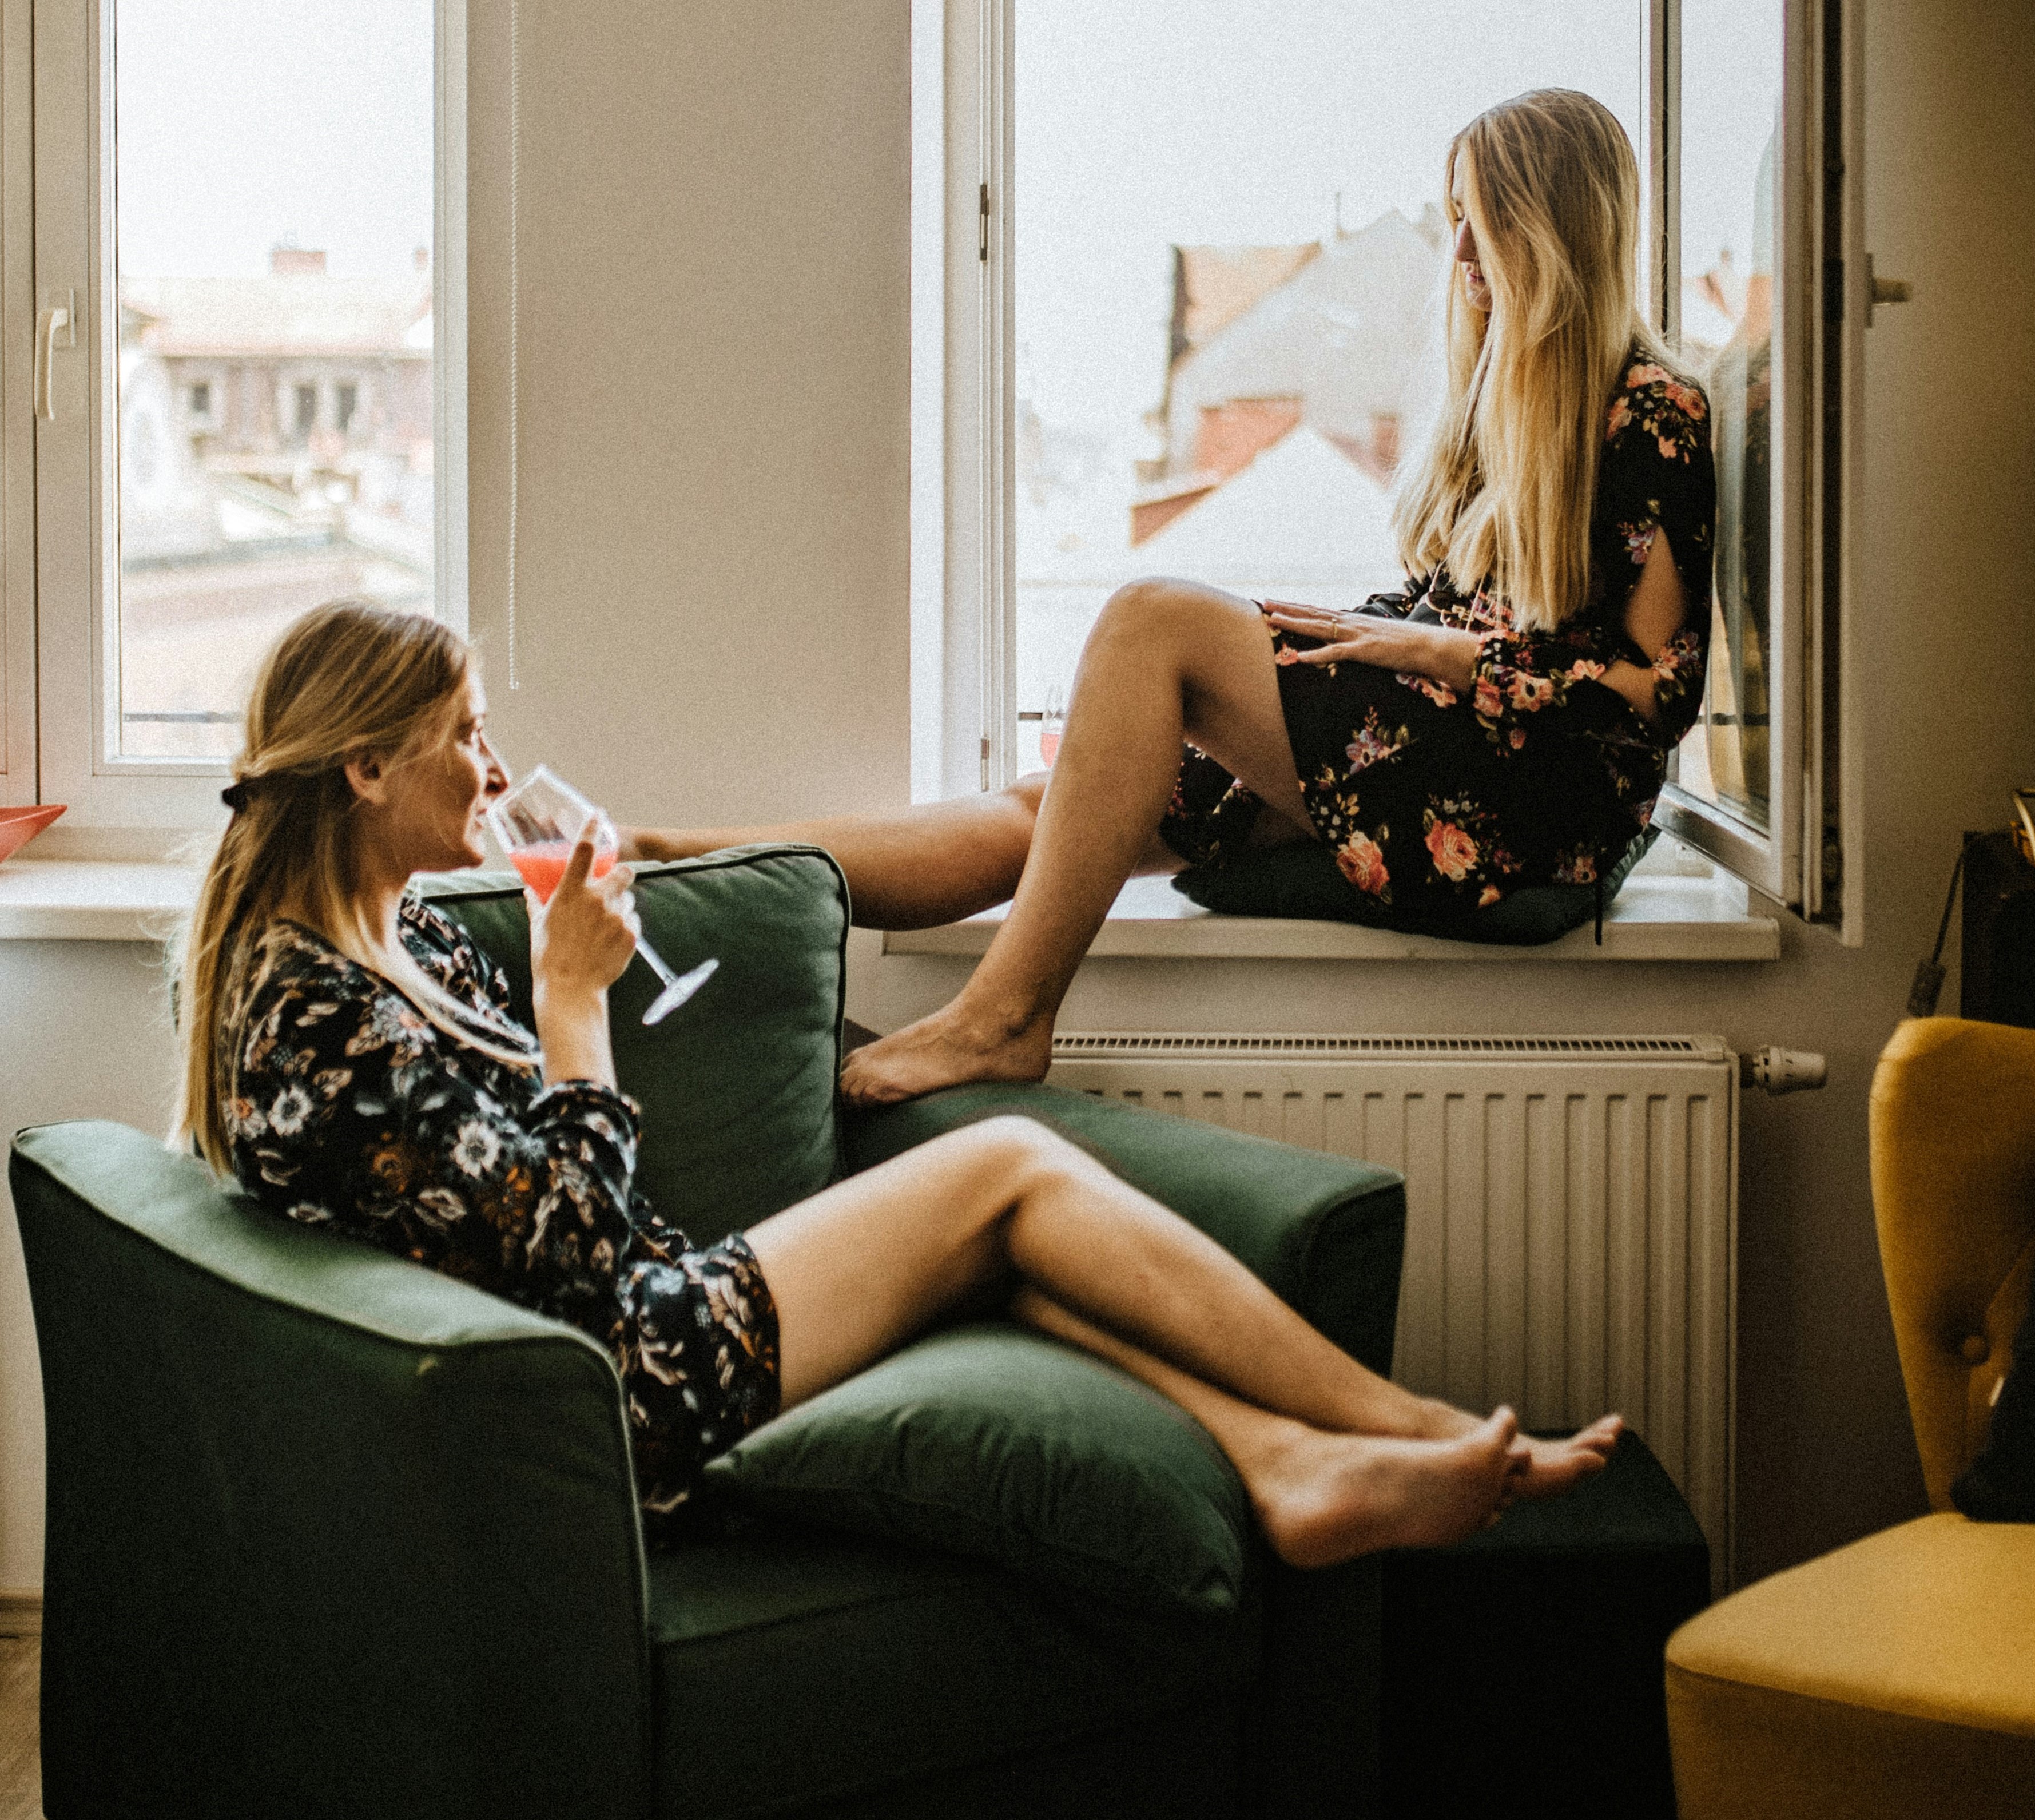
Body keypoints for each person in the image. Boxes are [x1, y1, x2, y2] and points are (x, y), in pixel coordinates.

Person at [174, 601, 1623, 1560]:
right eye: (463, 734)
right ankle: (1403, 1420)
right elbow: (583, 1248)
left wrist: (615, 922)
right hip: (601, 1394)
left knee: (1009, 1249)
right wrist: (574, 1004)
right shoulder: (310, 1024)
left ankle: (1286, 1465)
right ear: (366, 768)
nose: (493, 768)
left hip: (628, 1323)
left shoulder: (404, 936)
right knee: (1006, 1166)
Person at [633, 89, 1714, 1107]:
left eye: (1485, 222)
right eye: (1458, 222)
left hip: (1523, 800)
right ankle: (690, 859)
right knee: (1046, 810)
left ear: (1559, 230)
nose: (1464, 256)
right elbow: (1439, 606)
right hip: (1433, 743)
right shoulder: (1504, 411)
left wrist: (1435, 659)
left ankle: (1007, 1015)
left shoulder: (1653, 413)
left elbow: (1656, 696)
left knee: (1154, 619)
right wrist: (1342, 637)